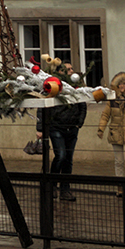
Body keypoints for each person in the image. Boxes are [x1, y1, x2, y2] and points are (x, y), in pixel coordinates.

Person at [35, 57, 87, 202]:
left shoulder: (76, 86)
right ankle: (52, 185)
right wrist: (40, 128)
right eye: (68, 69)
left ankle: (65, 190)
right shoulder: (53, 85)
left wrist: (79, 122)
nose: (71, 72)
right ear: (60, 72)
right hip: (56, 127)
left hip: (72, 127)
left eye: (71, 69)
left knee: (68, 160)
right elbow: (42, 105)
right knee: (61, 156)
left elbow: (83, 104)